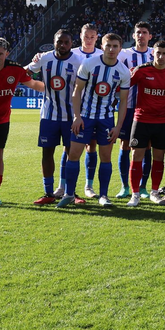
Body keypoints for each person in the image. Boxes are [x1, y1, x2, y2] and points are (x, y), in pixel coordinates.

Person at [63, 33, 131, 207]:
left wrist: (118, 126)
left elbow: (123, 101)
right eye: (108, 45)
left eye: (115, 46)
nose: (111, 49)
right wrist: (77, 117)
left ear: (120, 49)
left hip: (106, 119)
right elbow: (77, 91)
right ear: (102, 46)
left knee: (105, 157)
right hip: (85, 117)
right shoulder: (90, 64)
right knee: (73, 155)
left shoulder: (123, 71)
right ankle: (69, 194)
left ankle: (103, 195)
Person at [0, 37, 40, 206]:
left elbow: (32, 84)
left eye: (0, 54)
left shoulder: (15, 69)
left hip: (1, 121)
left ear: (7, 54)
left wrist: (59, 89)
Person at [26, 30, 82, 205]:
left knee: (71, 153)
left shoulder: (79, 62)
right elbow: (25, 72)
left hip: (71, 117)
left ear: (71, 43)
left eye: (66, 42)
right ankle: (48, 192)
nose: (63, 45)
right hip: (49, 115)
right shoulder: (44, 58)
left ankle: (69, 192)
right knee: (47, 152)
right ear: (54, 42)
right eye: (60, 42)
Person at [126, 40, 165, 207]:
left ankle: (154, 191)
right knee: (136, 156)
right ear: (153, 53)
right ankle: (135, 194)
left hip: (163, 121)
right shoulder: (142, 70)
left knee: (159, 158)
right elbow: (125, 85)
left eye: (164, 53)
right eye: (158, 53)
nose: (161, 56)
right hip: (141, 119)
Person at [61, 22, 101, 199]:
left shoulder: (102, 54)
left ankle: (89, 186)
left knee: (91, 146)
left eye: (92, 37)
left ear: (97, 37)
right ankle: (63, 186)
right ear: (80, 36)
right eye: (86, 36)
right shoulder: (73, 53)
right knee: (68, 147)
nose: (89, 40)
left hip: (93, 109)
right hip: (73, 107)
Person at [116, 22, 154, 199]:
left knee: (146, 146)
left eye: (144, 32)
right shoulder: (125, 54)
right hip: (128, 106)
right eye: (138, 32)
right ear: (133, 36)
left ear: (150, 36)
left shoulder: (155, 54)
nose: (141, 35)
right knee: (124, 145)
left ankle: (143, 186)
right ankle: (125, 186)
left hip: (148, 109)